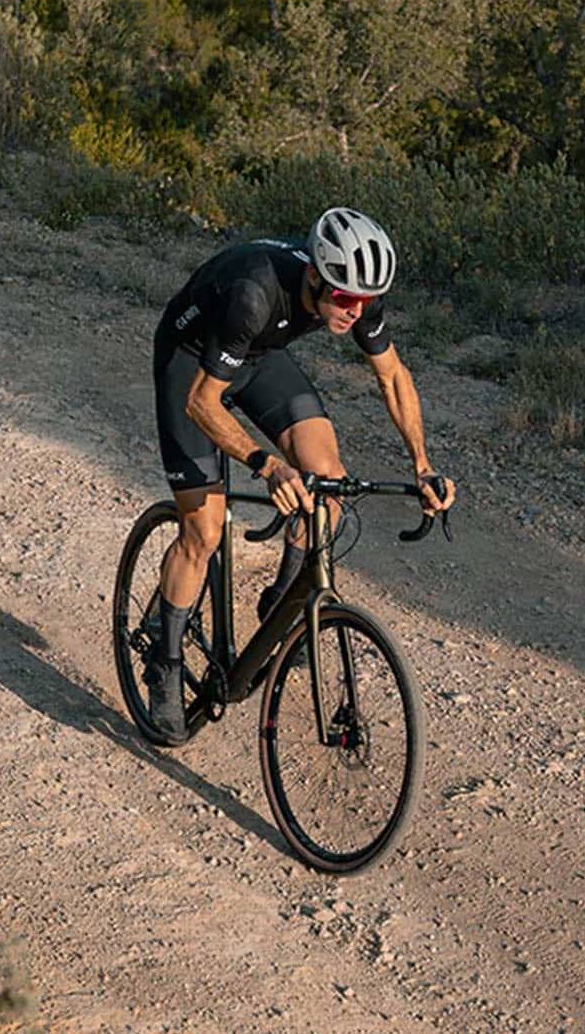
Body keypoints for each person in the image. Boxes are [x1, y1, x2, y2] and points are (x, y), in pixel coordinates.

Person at [144, 206, 456, 740]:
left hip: (258, 357)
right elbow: (202, 402)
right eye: (342, 298)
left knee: (328, 481)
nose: (353, 311)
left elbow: (394, 378)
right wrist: (266, 465)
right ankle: (163, 660)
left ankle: (283, 607)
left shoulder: (353, 291)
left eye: (364, 301)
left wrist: (423, 466)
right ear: (314, 275)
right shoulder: (252, 293)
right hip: (192, 365)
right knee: (205, 531)